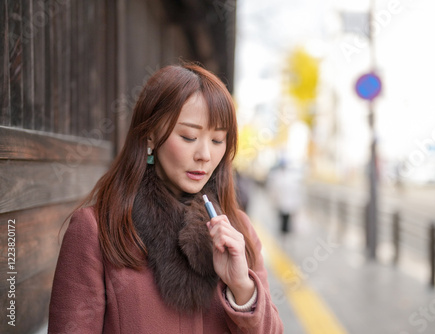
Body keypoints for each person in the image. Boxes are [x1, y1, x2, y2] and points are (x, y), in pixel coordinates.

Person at [48, 64, 283, 333]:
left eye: (218, 140)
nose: (205, 154)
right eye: (189, 136)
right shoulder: (97, 229)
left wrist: (243, 287)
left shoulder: (237, 229)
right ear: (150, 135)